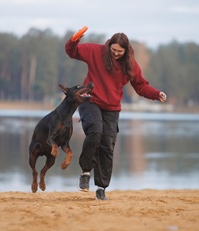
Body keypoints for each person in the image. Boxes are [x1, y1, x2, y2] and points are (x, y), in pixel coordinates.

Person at [65, 30, 167, 200]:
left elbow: (141, 86)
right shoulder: (96, 51)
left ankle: (101, 188)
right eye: (113, 50)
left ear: (126, 50)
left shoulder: (130, 64)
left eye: (120, 52)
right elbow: (72, 52)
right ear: (109, 46)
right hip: (90, 101)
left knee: (107, 145)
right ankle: (85, 172)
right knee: (95, 131)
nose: (116, 54)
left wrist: (157, 94)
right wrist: (73, 40)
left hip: (112, 108)